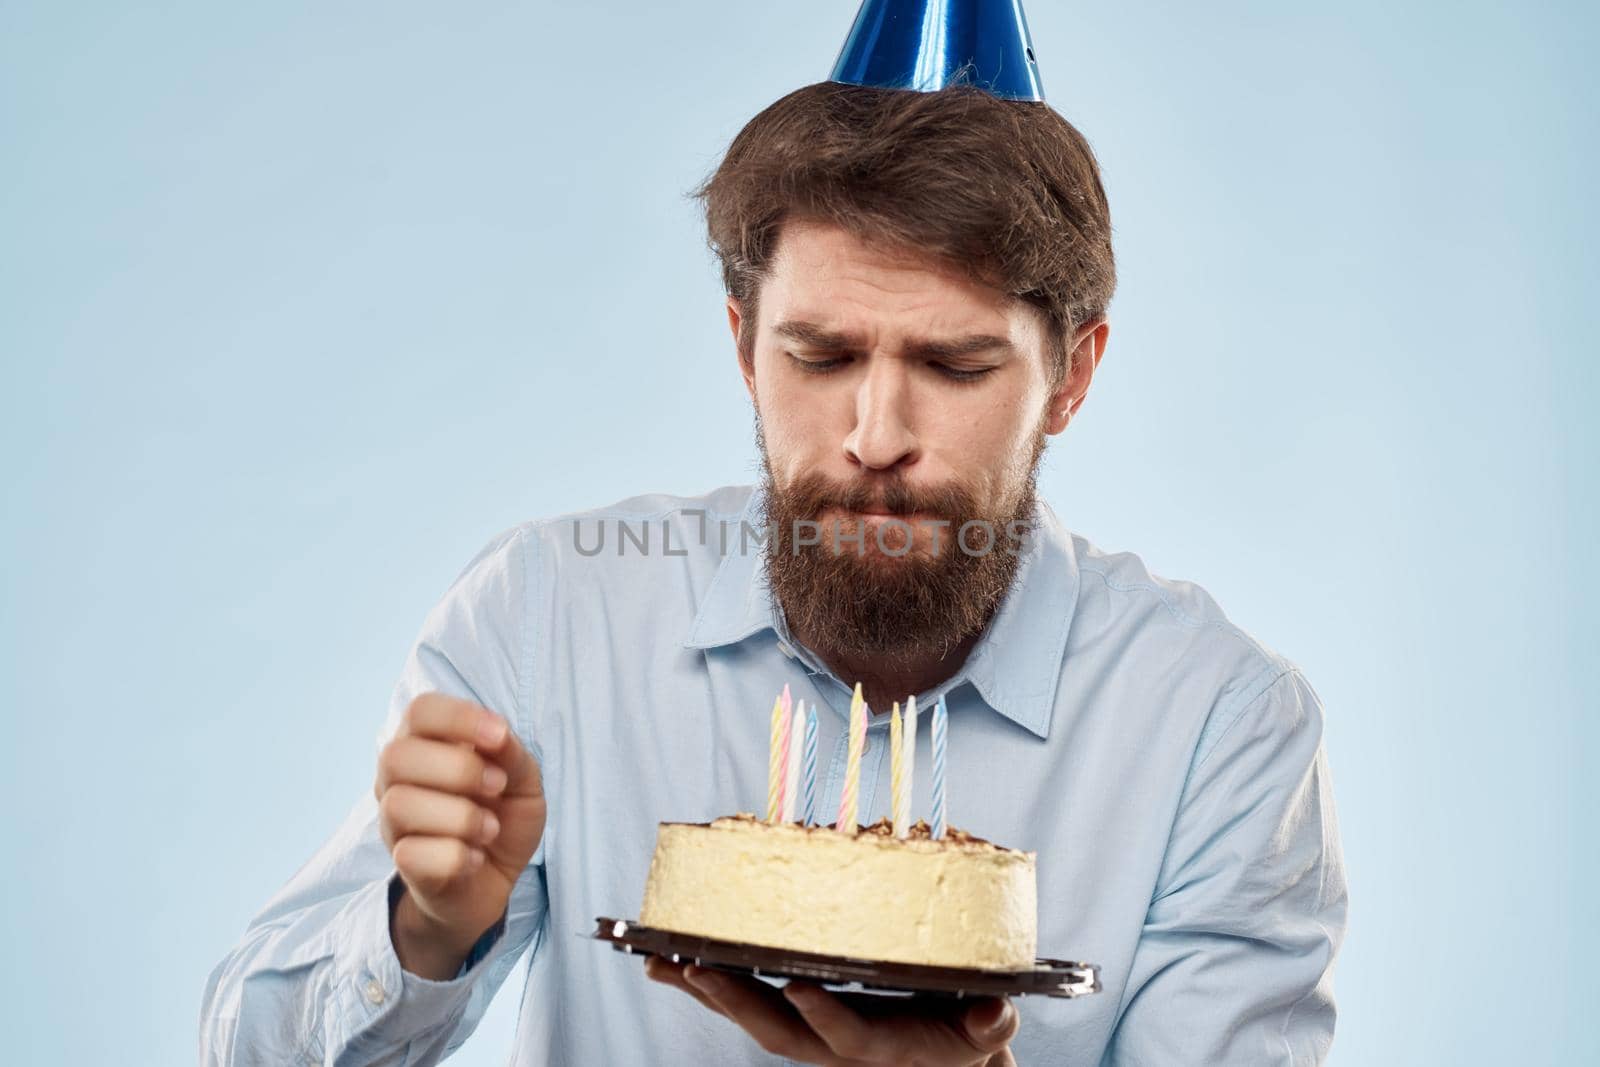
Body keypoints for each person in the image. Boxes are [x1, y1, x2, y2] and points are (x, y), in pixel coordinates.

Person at [199, 3, 1347, 1064]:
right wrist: (428, 927)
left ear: (1070, 378)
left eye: (953, 365)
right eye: (821, 356)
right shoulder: (552, 616)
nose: (874, 434)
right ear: (744, 347)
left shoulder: (1218, 726)